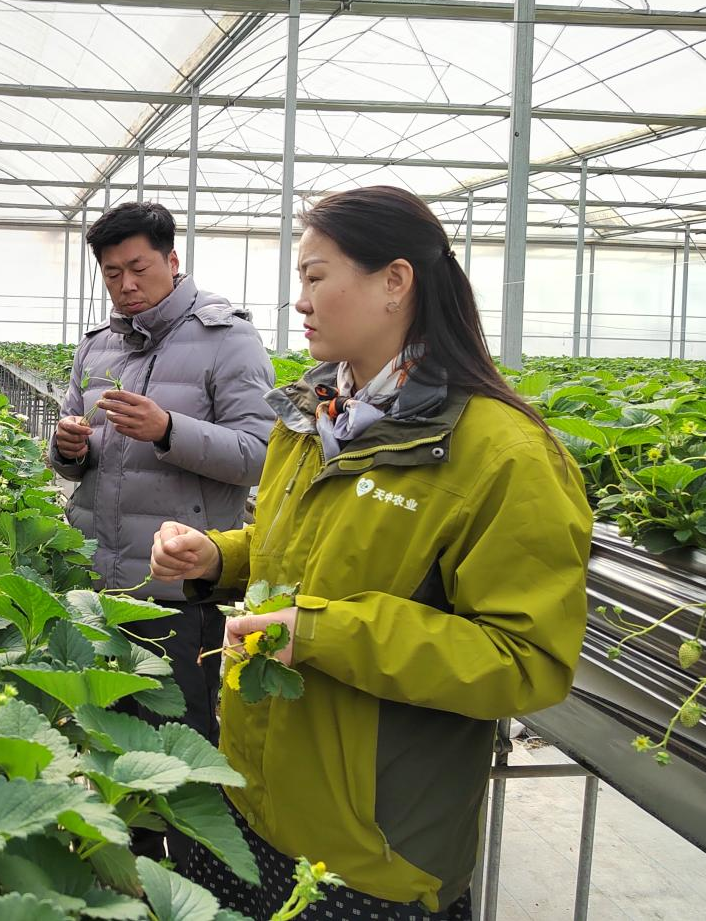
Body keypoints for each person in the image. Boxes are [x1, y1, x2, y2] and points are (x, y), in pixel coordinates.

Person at [150, 186, 592, 920]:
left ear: (395, 281)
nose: (299, 301)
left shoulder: (502, 452)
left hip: (371, 848)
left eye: (315, 276)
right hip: (251, 796)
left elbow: (525, 659)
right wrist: (219, 557)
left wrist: (321, 633)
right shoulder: (310, 415)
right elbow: (298, 549)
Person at [50, 202, 274, 744]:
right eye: (112, 273)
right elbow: (75, 460)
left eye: (138, 268)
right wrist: (67, 449)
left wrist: (169, 429)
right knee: (106, 741)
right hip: (98, 585)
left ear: (172, 262)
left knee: (174, 745)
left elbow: (262, 453)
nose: (125, 285)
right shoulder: (97, 346)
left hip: (175, 590)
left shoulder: (228, 339)